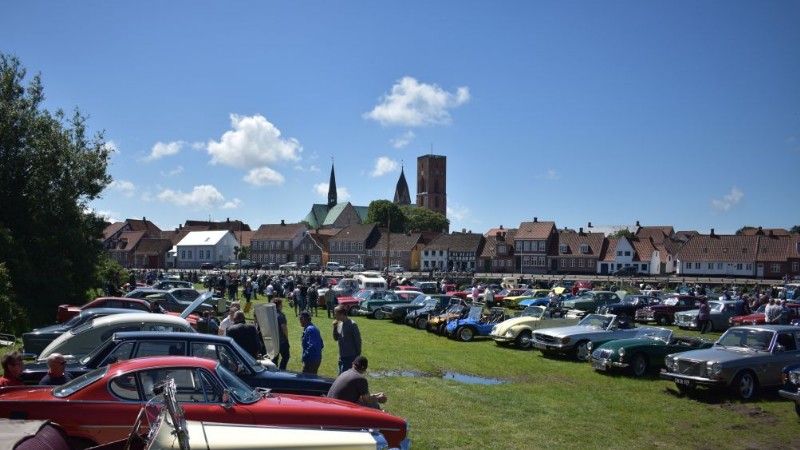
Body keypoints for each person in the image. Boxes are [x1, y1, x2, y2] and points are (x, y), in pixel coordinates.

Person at [333, 305, 361, 374]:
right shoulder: (340, 324)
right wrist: (334, 327)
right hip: (342, 356)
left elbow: (358, 341)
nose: (334, 316)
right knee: (340, 377)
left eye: (336, 314)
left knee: (346, 379)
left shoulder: (352, 325)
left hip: (350, 357)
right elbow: (336, 338)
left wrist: (357, 356)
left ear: (342, 314)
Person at [272, 299, 291, 370]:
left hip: (273, 340)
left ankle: (273, 371)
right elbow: (284, 328)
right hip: (282, 340)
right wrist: (286, 338)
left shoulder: (270, 314)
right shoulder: (281, 315)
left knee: (274, 359)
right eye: (281, 305)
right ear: (279, 305)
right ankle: (282, 370)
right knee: (286, 356)